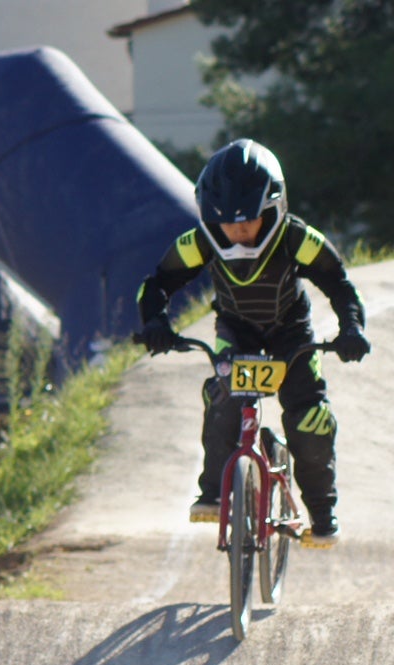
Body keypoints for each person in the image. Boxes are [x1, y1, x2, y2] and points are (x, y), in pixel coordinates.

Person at [137, 139, 369, 547]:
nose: (238, 231)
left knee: (310, 420)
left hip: (291, 332)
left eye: (249, 221)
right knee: (223, 399)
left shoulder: (299, 238)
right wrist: (155, 322)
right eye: (227, 223)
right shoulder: (201, 242)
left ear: (274, 210)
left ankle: (322, 511)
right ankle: (212, 490)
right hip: (236, 330)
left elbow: (340, 285)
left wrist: (351, 329)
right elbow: (158, 284)